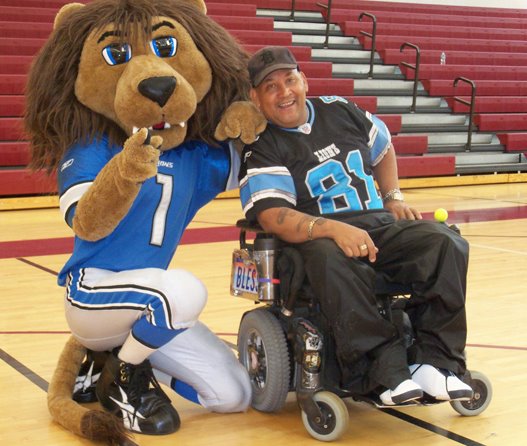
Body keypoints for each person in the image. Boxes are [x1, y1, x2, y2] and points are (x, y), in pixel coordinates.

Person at [238, 46, 474, 406]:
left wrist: (393, 195)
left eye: (290, 80)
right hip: (313, 239)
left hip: (377, 225)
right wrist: (332, 229)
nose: (284, 92)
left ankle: (438, 363)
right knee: (333, 257)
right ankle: (381, 371)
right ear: (255, 98)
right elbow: (273, 216)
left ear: (304, 79)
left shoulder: (341, 109)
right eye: (270, 87)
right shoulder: (262, 146)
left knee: (445, 242)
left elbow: (383, 148)